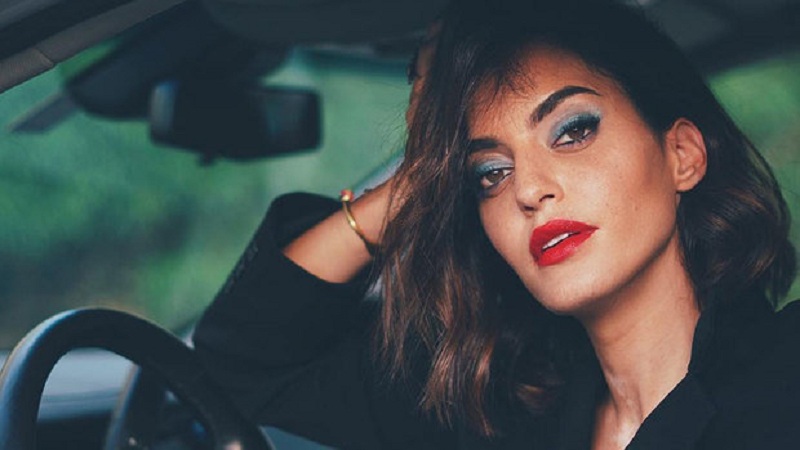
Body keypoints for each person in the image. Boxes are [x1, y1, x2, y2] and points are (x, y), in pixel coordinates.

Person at [193, 0, 800, 449]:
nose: (529, 190)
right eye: (490, 172)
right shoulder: (496, 409)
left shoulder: (782, 382)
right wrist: (413, 182)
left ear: (682, 155)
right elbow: (247, 359)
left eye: (573, 131)